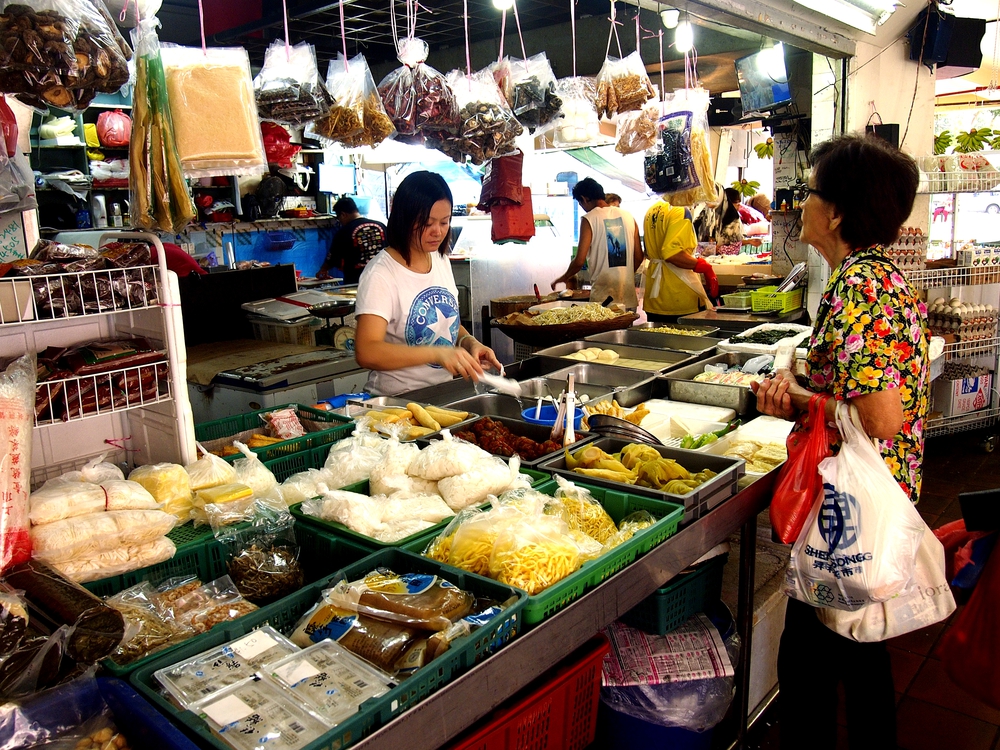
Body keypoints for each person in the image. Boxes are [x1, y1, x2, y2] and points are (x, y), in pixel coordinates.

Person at [750, 135, 928, 750]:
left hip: (850, 513)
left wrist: (795, 398)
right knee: (860, 655)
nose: (802, 203)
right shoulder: (877, 278)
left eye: (812, 192)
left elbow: (879, 416)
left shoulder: (860, 287)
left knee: (810, 668)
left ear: (839, 212)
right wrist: (805, 381)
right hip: (871, 501)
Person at [354, 171, 502, 396]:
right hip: (397, 402)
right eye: (427, 223)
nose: (438, 231)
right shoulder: (381, 274)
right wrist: (437, 353)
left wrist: (469, 342)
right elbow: (367, 351)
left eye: (445, 222)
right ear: (405, 218)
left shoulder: (440, 259)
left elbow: (449, 325)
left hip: (441, 395)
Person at [552, 177, 643, 309]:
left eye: (580, 203)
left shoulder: (589, 219)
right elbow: (639, 257)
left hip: (603, 300)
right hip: (628, 298)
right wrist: (625, 275)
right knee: (625, 330)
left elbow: (579, 261)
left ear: (584, 198)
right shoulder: (629, 217)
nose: (582, 207)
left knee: (605, 330)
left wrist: (564, 277)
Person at [642, 200, 718, 321]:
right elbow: (672, 253)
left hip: (655, 297)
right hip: (679, 295)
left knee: (657, 337)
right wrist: (704, 267)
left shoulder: (652, 210)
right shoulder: (680, 210)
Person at [317, 197, 387, 283]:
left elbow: (333, 257)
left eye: (339, 219)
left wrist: (323, 270)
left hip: (357, 282)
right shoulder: (381, 226)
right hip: (383, 278)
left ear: (343, 214)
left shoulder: (344, 232)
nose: (340, 222)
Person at [716, 187, 743, 255]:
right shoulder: (710, 217)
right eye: (735, 202)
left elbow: (735, 247)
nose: (738, 204)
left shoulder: (735, 221)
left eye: (739, 201)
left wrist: (718, 249)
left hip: (725, 260)